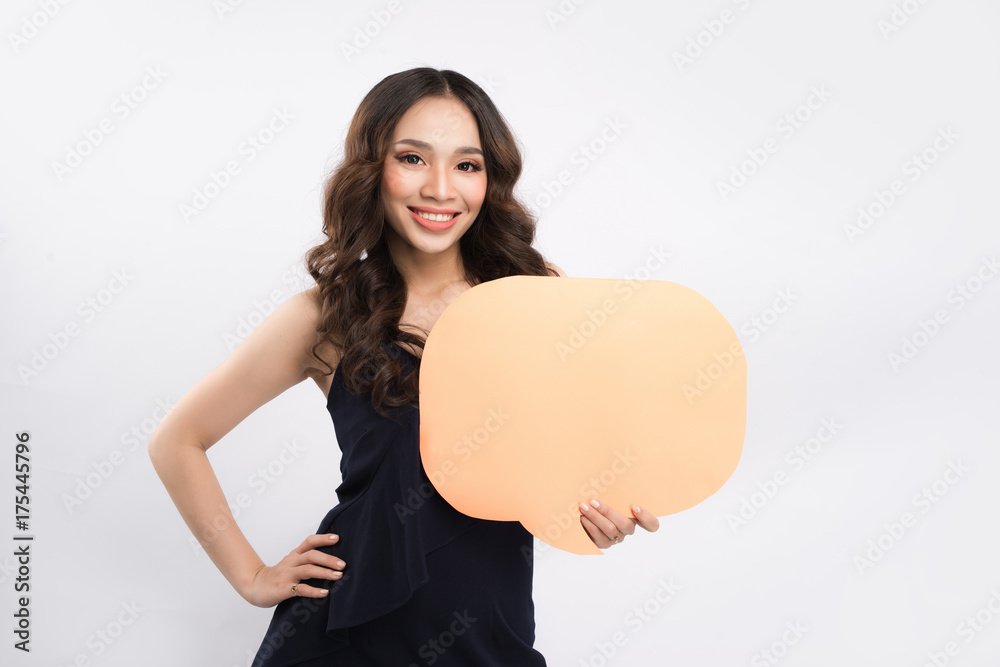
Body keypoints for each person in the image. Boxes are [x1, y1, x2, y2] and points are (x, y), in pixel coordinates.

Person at [147, 67, 659, 666]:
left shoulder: (537, 296)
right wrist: (253, 576)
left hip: (489, 635)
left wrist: (601, 513)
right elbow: (177, 440)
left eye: (466, 165)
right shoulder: (325, 315)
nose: (441, 188)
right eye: (413, 158)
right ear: (372, 169)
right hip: (341, 637)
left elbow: (582, 450)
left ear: (488, 180)